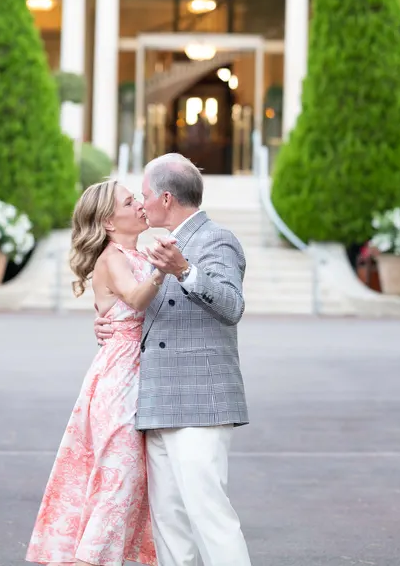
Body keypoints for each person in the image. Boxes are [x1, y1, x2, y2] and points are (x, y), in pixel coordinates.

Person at [94, 153, 252, 566]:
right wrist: (106, 326)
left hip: (201, 403)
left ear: (166, 198)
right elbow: (138, 307)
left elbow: (232, 306)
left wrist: (185, 271)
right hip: (155, 403)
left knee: (209, 516)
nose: (141, 204)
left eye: (144, 195)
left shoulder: (217, 240)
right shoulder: (153, 250)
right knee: (168, 525)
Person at [26, 180, 159, 566]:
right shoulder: (112, 256)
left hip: (140, 374)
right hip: (120, 379)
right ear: (108, 222)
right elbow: (134, 298)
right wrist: (165, 271)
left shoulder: (140, 255)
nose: (139, 204)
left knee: (132, 483)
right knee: (119, 479)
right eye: (129, 201)